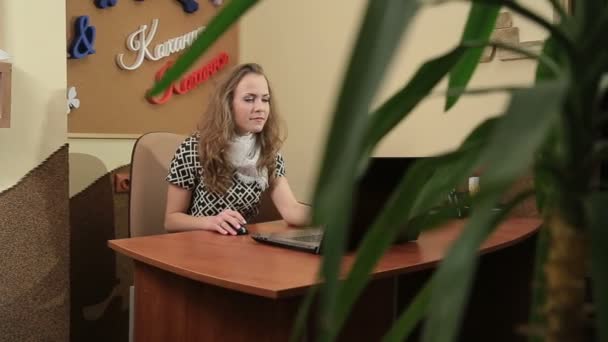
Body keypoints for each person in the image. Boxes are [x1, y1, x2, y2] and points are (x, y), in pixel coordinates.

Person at [164, 63, 311, 235]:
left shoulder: (269, 152)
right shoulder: (193, 148)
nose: (260, 108)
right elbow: (171, 220)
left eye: (265, 99)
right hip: (197, 246)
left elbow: (291, 210)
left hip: (239, 248)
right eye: (249, 99)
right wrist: (210, 222)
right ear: (228, 103)